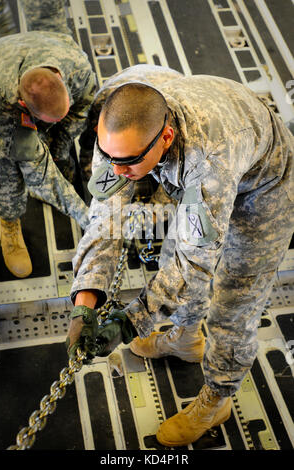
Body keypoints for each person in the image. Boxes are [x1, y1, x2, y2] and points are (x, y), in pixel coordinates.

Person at [66, 64, 294, 447]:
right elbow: (105, 218)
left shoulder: (207, 163)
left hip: (263, 192)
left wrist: (128, 323)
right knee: (172, 251)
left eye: (128, 164)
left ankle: (217, 398)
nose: (117, 171)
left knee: (235, 300)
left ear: (166, 136)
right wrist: (85, 299)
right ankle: (184, 340)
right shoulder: (122, 138)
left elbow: (195, 264)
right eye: (109, 158)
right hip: (196, 172)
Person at [0, 0, 96, 278]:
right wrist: (86, 216)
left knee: (80, 119)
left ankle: (58, 150)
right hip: (0, 75)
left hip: (43, 45)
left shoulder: (76, 67)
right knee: (4, 165)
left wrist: (60, 151)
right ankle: (9, 222)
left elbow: (79, 110)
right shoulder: (4, 105)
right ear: (25, 109)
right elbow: (39, 175)